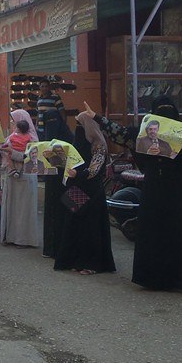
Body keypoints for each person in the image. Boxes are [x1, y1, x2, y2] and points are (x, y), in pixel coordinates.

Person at [83, 96, 182, 298]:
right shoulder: (142, 133)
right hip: (153, 191)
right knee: (153, 232)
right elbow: (120, 134)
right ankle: (153, 279)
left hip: (179, 192)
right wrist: (97, 118)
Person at [54, 112, 116, 274]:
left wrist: (79, 174)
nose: (78, 129)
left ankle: (91, 264)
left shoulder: (99, 145)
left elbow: (95, 169)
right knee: (73, 223)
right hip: (76, 187)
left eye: (80, 125)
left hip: (92, 190)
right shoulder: (77, 142)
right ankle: (75, 260)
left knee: (90, 227)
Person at [0, 109, 40, 248]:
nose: (12, 123)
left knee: (23, 209)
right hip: (12, 176)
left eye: (13, 121)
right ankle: (10, 236)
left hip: (25, 177)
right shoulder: (11, 136)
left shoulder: (32, 140)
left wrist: (12, 152)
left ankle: (23, 239)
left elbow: (30, 158)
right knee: (12, 207)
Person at [40, 113, 72, 259]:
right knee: (51, 211)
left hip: (65, 181)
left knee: (62, 211)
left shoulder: (69, 139)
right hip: (52, 179)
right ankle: (50, 247)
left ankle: (61, 247)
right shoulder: (47, 141)